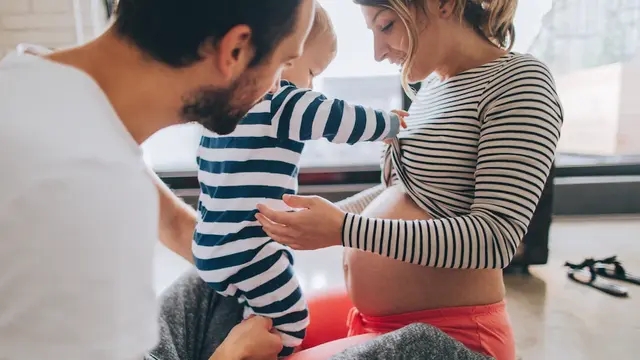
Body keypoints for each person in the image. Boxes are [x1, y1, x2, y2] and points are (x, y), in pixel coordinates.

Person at [0, 0, 316, 359]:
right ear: (235, 50)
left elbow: (175, 226)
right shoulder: (83, 181)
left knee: (226, 273)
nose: (279, 86)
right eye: (284, 65)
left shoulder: (43, 85)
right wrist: (230, 357)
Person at [255, 0, 564, 359]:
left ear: (443, 4)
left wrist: (343, 229)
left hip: (450, 337)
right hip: (380, 321)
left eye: (386, 26)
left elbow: (495, 239)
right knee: (263, 333)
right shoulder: (432, 87)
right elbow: (404, 194)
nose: (377, 52)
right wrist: (313, 221)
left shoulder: (519, 82)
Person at [193, 4, 405, 356]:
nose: (312, 85)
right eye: (312, 71)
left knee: (260, 305)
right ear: (286, 54)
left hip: (209, 243)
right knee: (291, 318)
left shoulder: (223, 107)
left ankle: (244, 338)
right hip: (249, 248)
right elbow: (338, 119)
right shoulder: (283, 102)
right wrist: (389, 124)